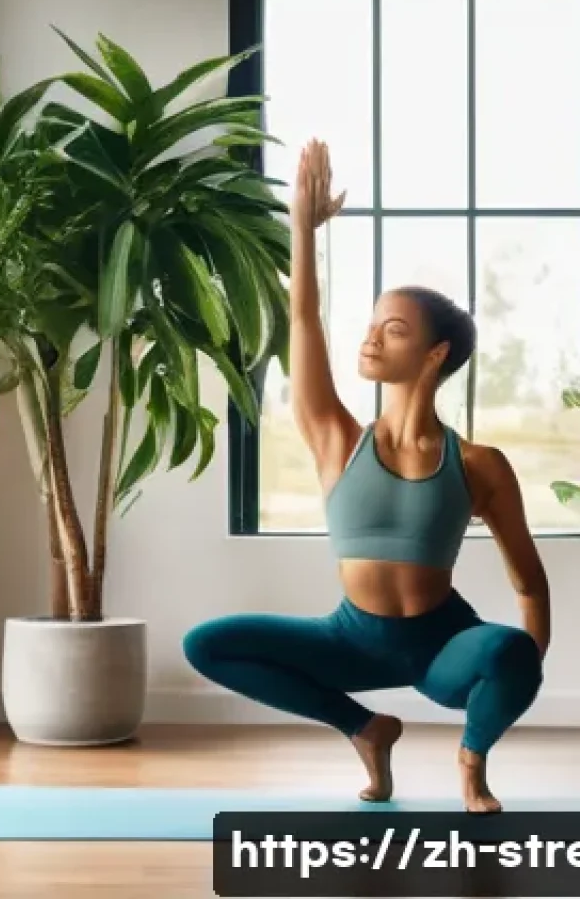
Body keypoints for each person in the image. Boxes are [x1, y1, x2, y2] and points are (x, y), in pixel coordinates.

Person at [183, 139, 549, 814]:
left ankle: (471, 764)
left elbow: (529, 581)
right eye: (372, 324)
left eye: (396, 329)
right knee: (208, 644)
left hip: (444, 646)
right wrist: (302, 224)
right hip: (351, 640)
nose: (372, 337)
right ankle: (367, 728)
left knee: (511, 648)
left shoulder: (477, 465)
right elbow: (302, 318)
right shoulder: (335, 439)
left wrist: (521, 675)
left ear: (436, 353)